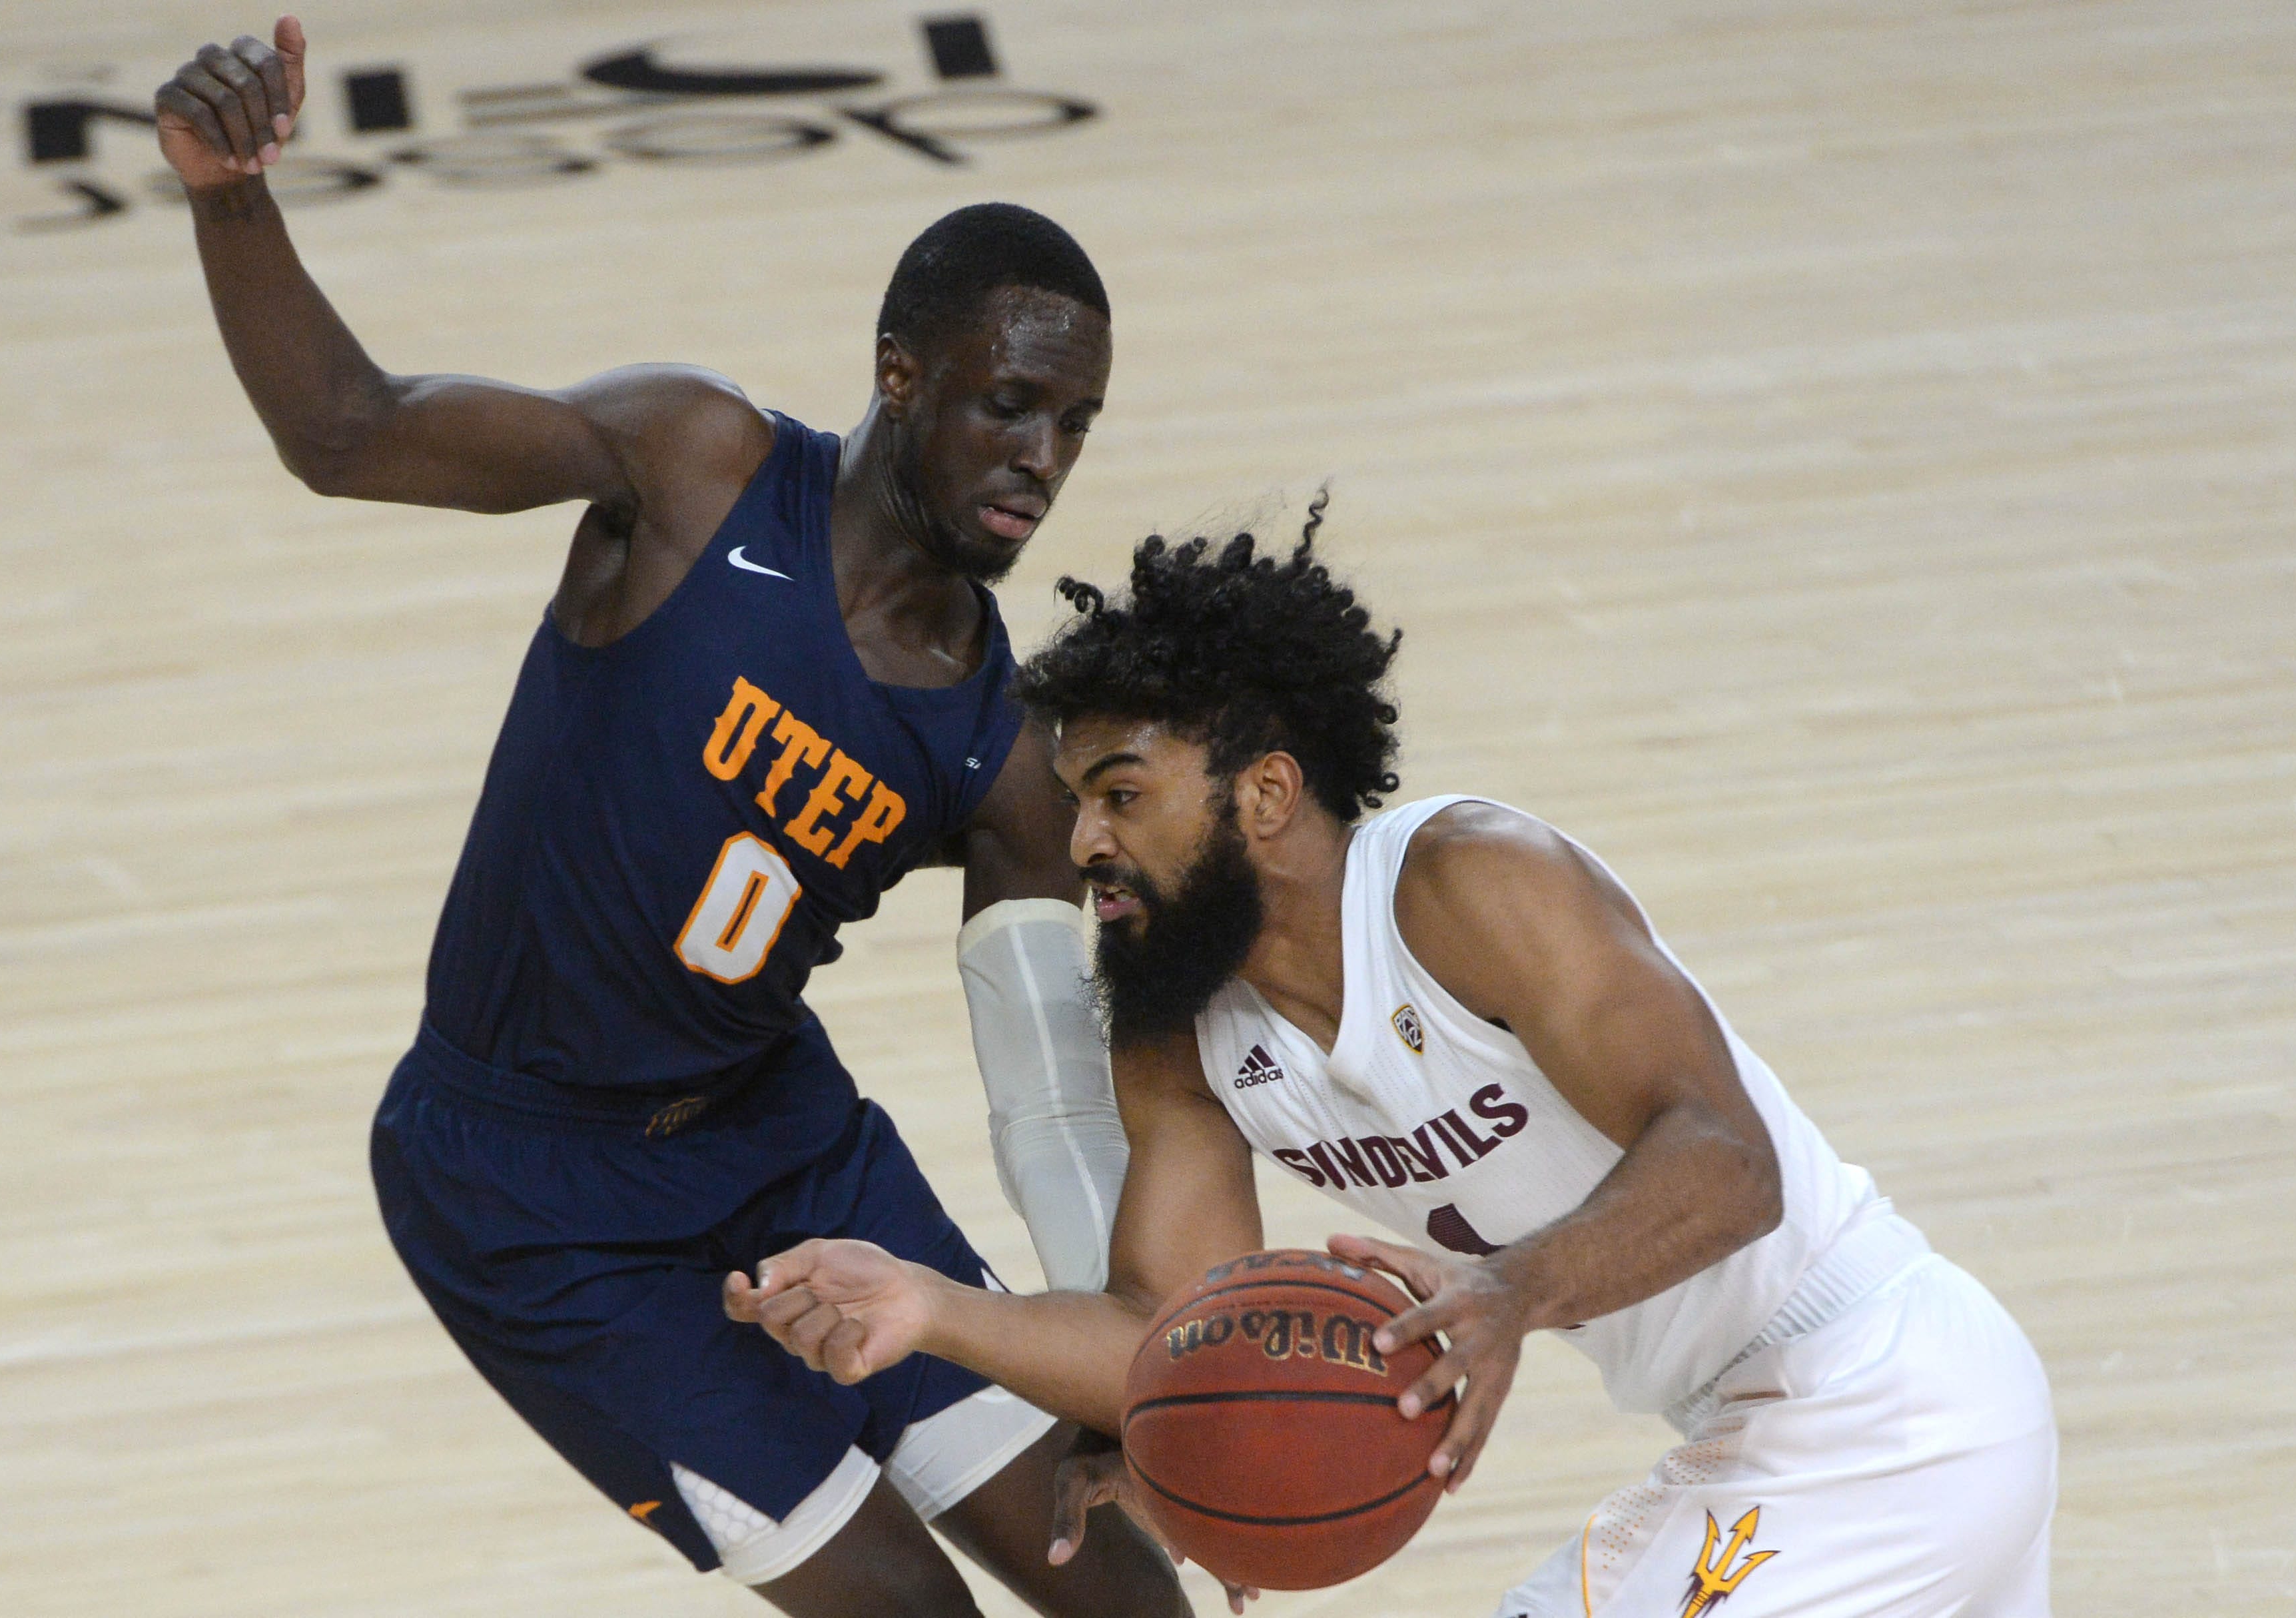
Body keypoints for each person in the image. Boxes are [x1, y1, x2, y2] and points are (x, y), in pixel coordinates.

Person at [154, 17, 1183, 1617]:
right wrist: (231, 198)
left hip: (790, 1151)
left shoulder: (1003, 751)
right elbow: (345, 430)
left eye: (1074, 427)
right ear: (900, 376)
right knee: (914, 1612)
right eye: (1008, 405)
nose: (1039, 460)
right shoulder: (695, 466)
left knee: (1115, 1587)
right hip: (528, 1192)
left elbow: (1051, 1115)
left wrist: (1129, 1380)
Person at [727, 506, 2061, 1616]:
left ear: (1262, 792)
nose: (1080, 842)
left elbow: (1727, 1162)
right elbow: (1159, 1329)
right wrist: (932, 1310)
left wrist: (1505, 1293)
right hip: (1764, 1424)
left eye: (1121, 794)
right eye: (1076, 800)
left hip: (1884, 1391)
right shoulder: (1181, 1030)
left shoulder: (1464, 882)